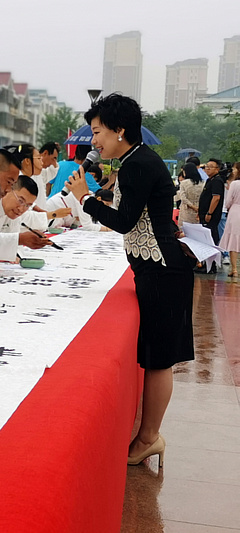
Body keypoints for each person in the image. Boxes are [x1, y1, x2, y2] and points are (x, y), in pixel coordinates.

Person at [67, 93, 194, 467]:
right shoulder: (132, 160)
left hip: (162, 270)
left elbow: (123, 221)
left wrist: (86, 199)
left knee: (159, 360)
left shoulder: (138, 163)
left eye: (97, 132)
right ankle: (148, 434)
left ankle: (149, 438)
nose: (94, 141)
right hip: (154, 267)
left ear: (119, 130)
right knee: (156, 357)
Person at [198, 158, 225, 245]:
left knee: (211, 235)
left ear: (217, 169)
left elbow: (216, 198)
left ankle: (214, 257)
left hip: (211, 215)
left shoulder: (217, 181)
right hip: (204, 213)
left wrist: (209, 213)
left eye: (211, 167)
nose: (208, 168)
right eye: (207, 166)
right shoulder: (210, 180)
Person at [220, 166, 240, 277]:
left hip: (235, 211)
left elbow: (228, 201)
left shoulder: (234, 184)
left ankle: (234, 269)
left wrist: (228, 207)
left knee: (234, 240)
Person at [175, 163, 204, 227]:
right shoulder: (202, 183)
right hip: (199, 208)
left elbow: (183, 197)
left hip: (186, 209)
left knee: (184, 229)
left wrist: (192, 206)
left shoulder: (184, 183)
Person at [34, 141, 59, 210]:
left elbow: (51, 173)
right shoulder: (29, 173)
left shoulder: (41, 172)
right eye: (53, 158)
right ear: (45, 153)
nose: (53, 162)